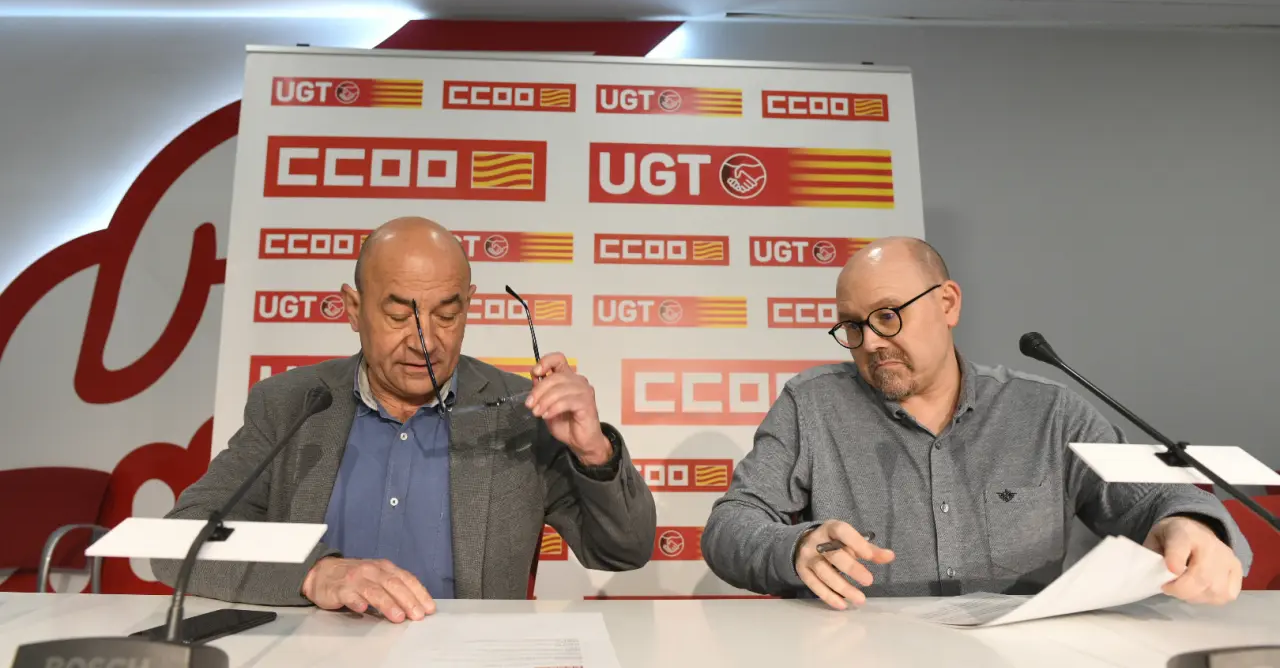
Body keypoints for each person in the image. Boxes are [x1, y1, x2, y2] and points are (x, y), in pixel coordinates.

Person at [702, 237, 1251, 610]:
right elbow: (730, 527)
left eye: (887, 316)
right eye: (851, 326)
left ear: (947, 303)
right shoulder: (812, 405)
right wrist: (795, 547)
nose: (869, 343)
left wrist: (1190, 526)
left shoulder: (1049, 412)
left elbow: (1152, 499)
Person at [154, 217, 656, 621]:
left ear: (469, 306)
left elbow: (624, 552)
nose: (425, 341)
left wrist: (594, 452)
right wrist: (314, 573)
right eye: (399, 317)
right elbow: (178, 541)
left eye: (447, 315)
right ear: (353, 309)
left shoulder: (523, 413)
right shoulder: (290, 404)